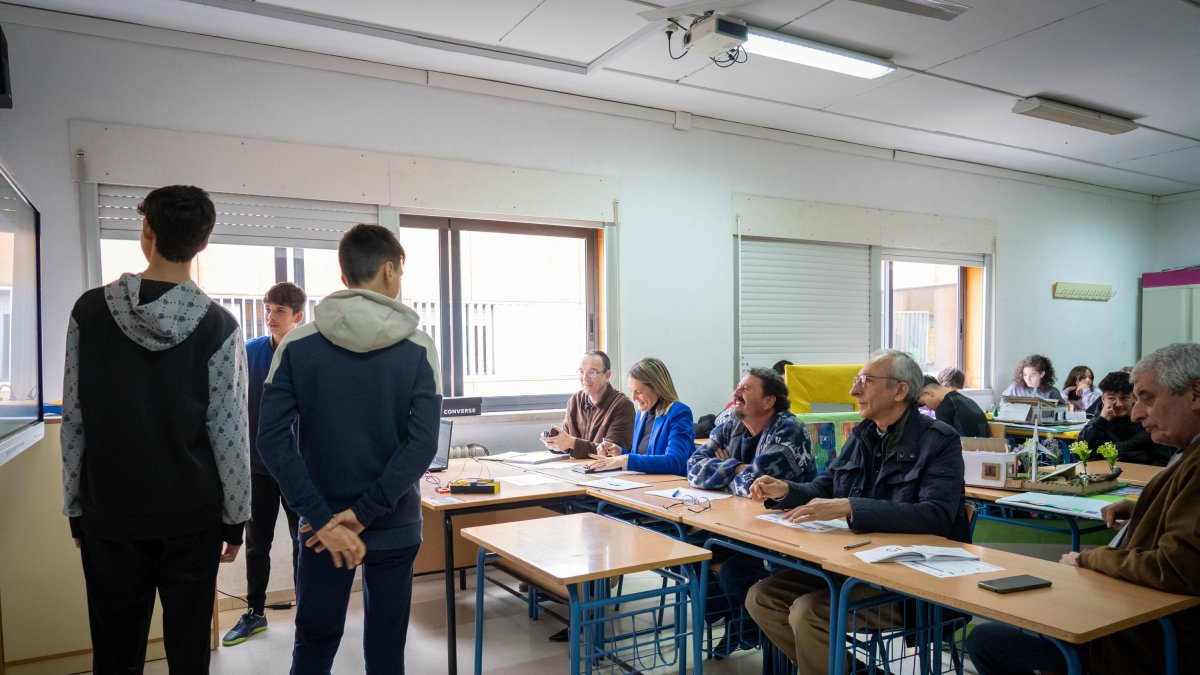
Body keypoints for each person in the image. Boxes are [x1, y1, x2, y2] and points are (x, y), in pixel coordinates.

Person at [61, 185, 250, 673]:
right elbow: (229, 431)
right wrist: (236, 518)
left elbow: (75, 418)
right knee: (189, 650)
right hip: (192, 517)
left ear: (146, 230)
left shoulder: (88, 312)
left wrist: (75, 508)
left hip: (110, 512)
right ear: (203, 243)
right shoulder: (220, 326)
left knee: (115, 653)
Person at [257, 224, 441, 675]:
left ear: (344, 277)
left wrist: (322, 518)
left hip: (322, 527)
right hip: (394, 523)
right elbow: (422, 445)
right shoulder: (419, 347)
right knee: (386, 649)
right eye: (401, 272)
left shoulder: (297, 344)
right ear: (389, 270)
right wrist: (364, 513)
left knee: (314, 645)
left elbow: (271, 439)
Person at [966, 343, 1200, 675]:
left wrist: (1090, 557)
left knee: (988, 640)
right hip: (1136, 618)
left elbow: (1175, 568)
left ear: (1195, 394)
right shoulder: (1187, 451)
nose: (1136, 413)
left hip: (1145, 639)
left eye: (1146, 398)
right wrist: (1144, 510)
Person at [744, 350, 968, 675]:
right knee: (761, 597)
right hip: (854, 565)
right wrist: (786, 490)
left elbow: (935, 516)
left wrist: (851, 506)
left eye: (865, 381)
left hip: (910, 580)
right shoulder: (863, 433)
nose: (853, 390)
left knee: (808, 612)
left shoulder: (940, 440)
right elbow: (826, 487)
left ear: (900, 390)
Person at [687, 368, 817, 656]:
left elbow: (759, 484)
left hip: (785, 532)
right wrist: (737, 467)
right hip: (740, 524)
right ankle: (735, 618)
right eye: (738, 386)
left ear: (769, 401)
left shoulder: (790, 429)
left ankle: (747, 630)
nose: (737, 393)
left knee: (733, 569)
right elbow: (693, 468)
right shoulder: (731, 422)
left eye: (746, 389)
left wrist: (725, 470)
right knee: (687, 549)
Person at [222, 282, 307, 646]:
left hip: (298, 469)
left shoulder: (309, 353)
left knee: (304, 541)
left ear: (297, 316)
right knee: (257, 544)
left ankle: (308, 611)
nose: (270, 317)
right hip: (257, 467)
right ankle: (255, 612)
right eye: (268, 309)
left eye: (279, 311)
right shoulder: (250, 351)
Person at [585, 357, 694, 475]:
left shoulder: (679, 413)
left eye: (639, 392)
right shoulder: (641, 414)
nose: (633, 398)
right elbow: (642, 457)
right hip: (646, 482)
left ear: (657, 389)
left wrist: (625, 460)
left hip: (673, 483)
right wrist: (620, 452)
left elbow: (674, 462)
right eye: (632, 391)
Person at [540, 350, 635, 459]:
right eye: (581, 371)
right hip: (576, 466)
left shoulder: (622, 405)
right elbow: (567, 442)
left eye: (592, 372)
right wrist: (556, 443)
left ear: (607, 375)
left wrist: (572, 443)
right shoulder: (575, 400)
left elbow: (611, 452)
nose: (584, 378)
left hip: (606, 468)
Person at [1077, 370, 1176, 467]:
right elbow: (1080, 452)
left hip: (1141, 474)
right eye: (1111, 398)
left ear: (1134, 398)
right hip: (1103, 475)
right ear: (1103, 399)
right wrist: (1101, 421)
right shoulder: (1096, 423)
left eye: (1124, 398)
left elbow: (1162, 460)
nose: (1119, 404)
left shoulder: (1150, 424)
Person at [918, 375, 990, 437]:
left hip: (966, 448)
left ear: (928, 393)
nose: (929, 409)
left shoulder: (943, 408)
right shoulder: (967, 400)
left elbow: (943, 442)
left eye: (924, 403)